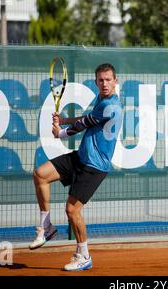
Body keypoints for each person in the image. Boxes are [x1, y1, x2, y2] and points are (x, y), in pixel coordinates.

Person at [29, 63, 123, 271]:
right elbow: (86, 118)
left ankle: (84, 255)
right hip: (81, 157)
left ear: (115, 81)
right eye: (100, 80)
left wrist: (60, 132)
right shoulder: (101, 99)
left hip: (94, 167)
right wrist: (63, 120)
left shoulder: (112, 106)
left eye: (108, 79)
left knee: (72, 210)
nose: (104, 83)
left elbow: (83, 124)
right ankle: (46, 227)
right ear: (96, 81)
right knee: (40, 174)